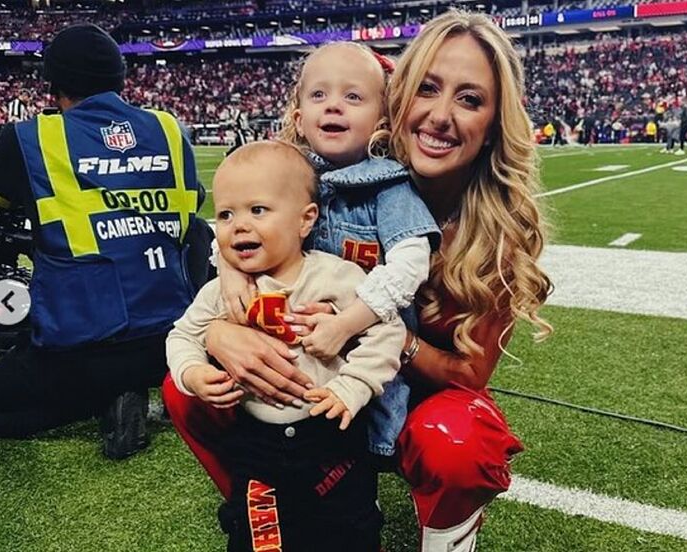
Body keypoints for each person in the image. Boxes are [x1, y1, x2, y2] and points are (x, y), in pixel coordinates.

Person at [164, 11, 552, 551]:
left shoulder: (494, 228)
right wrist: (220, 327)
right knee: (187, 389)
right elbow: (246, 218)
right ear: (397, 100)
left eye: (470, 100)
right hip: (311, 380)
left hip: (413, 397)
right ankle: (270, 505)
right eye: (429, 89)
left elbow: (468, 372)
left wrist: (371, 327)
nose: (440, 115)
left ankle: (448, 537)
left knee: (456, 442)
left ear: (494, 123)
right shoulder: (317, 174)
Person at [0, 24, 213, 460]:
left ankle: (106, 394)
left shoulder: (30, 137)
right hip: (174, 339)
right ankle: (137, 385)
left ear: (53, 85)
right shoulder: (170, 129)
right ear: (120, 80)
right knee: (196, 229)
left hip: (85, 347)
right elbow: (192, 206)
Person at [168, 140, 405, 551]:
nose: (238, 225)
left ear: (305, 219)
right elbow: (181, 335)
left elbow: (387, 331)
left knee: (351, 531)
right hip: (256, 442)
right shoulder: (221, 292)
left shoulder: (337, 277)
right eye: (226, 214)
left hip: (333, 437)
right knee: (258, 538)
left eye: (257, 210)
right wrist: (192, 371)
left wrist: (352, 386)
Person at [220, 41, 441, 462]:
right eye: (319, 95)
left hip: (361, 355)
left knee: (350, 454)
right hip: (290, 347)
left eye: (352, 96)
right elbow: (235, 224)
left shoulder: (389, 187)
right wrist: (229, 269)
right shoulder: (283, 174)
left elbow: (412, 264)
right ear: (299, 119)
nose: (333, 106)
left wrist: (347, 323)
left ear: (382, 119)